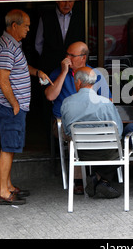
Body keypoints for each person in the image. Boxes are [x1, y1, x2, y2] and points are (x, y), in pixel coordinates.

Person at [0, 9, 52, 205]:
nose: (28, 29)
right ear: (14, 26)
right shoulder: (8, 48)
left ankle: (8, 186)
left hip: (14, 107)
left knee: (12, 146)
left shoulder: (13, 44)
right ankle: (2, 192)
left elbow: (21, 68)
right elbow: (3, 81)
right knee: (8, 147)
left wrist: (38, 72)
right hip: (10, 107)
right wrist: (15, 104)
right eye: (25, 25)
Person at [45, 41, 110, 194]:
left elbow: (108, 102)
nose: (67, 58)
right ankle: (79, 180)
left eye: (71, 56)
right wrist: (63, 72)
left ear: (83, 58)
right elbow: (50, 96)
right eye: (67, 54)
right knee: (77, 135)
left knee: (108, 134)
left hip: (92, 123)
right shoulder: (59, 72)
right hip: (64, 123)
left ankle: (101, 179)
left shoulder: (96, 75)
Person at [60, 67, 122, 199]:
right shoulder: (106, 103)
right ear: (94, 83)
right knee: (122, 147)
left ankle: (99, 178)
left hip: (80, 153)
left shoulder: (66, 103)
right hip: (107, 153)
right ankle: (100, 179)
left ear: (78, 82)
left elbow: (66, 131)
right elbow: (119, 132)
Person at [35, 0, 85, 76]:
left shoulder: (81, 16)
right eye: (64, 1)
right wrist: (49, 57)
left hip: (73, 67)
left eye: (70, 1)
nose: (67, 4)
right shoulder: (46, 17)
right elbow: (38, 44)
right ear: (57, 0)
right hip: (50, 67)